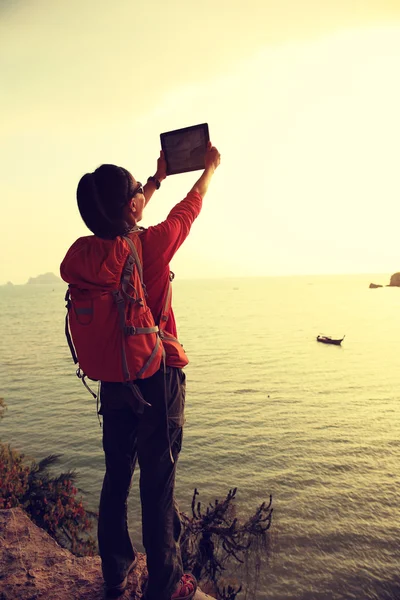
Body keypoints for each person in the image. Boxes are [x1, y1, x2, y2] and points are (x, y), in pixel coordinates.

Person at [67, 141, 220, 600]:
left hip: (113, 379)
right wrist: (207, 171)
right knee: (158, 483)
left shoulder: (92, 254)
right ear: (129, 207)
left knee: (117, 476)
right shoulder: (147, 247)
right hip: (156, 377)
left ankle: (115, 570)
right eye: (137, 190)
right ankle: (165, 586)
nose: (143, 194)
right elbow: (185, 214)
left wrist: (153, 180)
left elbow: (122, 214)